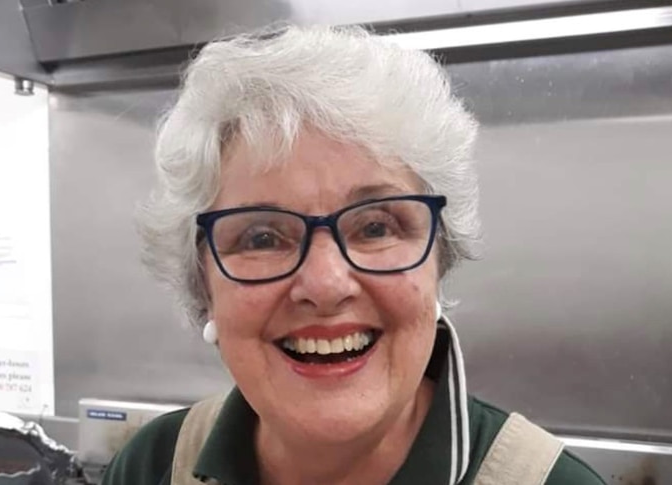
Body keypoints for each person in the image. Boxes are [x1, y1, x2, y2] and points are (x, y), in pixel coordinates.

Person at [103, 25, 605, 485]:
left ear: (439, 259)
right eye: (261, 238)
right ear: (202, 284)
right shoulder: (154, 467)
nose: (324, 284)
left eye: (375, 227)